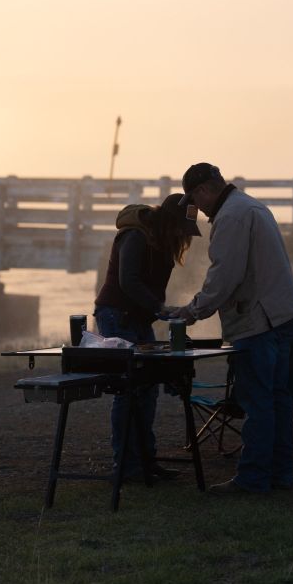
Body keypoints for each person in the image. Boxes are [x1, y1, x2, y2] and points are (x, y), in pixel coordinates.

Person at [164, 162, 293, 494]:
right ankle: (279, 475)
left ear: (202, 191)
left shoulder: (230, 218)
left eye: (195, 202)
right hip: (283, 314)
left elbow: (223, 277)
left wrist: (192, 311)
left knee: (257, 402)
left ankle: (253, 479)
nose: (197, 210)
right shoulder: (253, 206)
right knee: (277, 400)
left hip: (259, 321)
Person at [93, 192, 200, 480]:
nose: (183, 235)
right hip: (116, 317)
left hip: (138, 319)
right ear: (168, 221)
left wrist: (160, 311)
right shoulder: (136, 237)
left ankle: (145, 461)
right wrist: (159, 308)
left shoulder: (161, 243)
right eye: (181, 228)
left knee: (148, 388)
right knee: (129, 390)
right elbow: (128, 281)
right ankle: (128, 466)